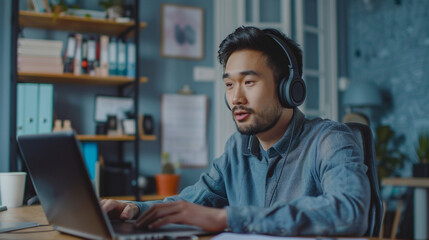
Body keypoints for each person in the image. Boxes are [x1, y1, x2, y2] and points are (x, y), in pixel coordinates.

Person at [101, 26, 370, 236]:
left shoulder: (330, 140)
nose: (236, 98)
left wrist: (227, 218)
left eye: (249, 82)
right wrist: (134, 209)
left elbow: (349, 210)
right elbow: (192, 201)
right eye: (229, 85)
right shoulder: (237, 148)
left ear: (288, 88)